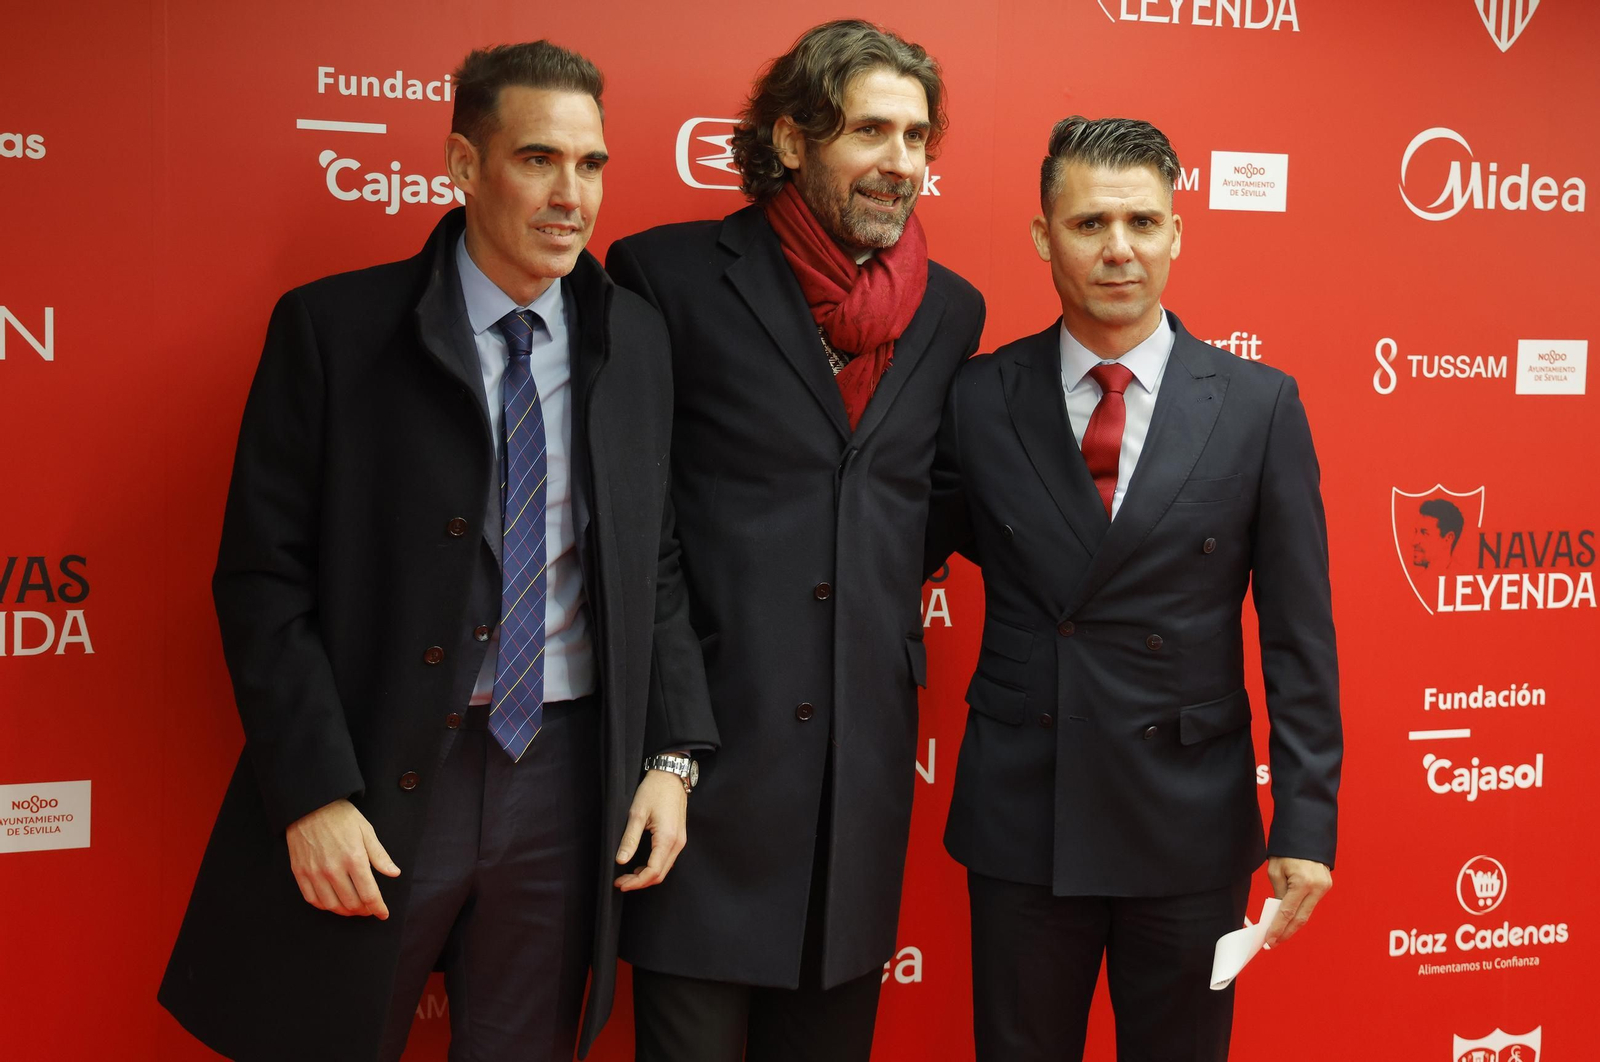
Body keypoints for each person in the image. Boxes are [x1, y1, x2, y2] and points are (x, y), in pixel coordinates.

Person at [157, 40, 716, 1062]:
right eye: (537, 159)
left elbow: (656, 564)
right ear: (462, 165)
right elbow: (262, 580)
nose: (570, 196)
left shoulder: (634, 340)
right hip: (383, 770)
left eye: (591, 165)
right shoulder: (333, 331)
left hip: (566, 770)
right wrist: (314, 790)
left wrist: (672, 758)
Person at [604, 19, 985, 1062]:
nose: (898, 161)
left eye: (915, 137)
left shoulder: (950, 312)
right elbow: (642, 533)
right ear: (789, 138)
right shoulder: (663, 278)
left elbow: (926, 508)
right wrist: (672, 748)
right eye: (869, 130)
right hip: (703, 776)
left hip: (857, 786)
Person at [926, 115, 1342, 1062]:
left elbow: (1298, 632)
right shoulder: (978, 397)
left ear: (1176, 233)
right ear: (1043, 236)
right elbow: (894, 550)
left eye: (1143, 223)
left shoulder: (1256, 404)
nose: (1119, 250)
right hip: (1027, 811)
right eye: (1088, 225)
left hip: (1187, 818)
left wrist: (1307, 820)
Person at [1412, 497, 1464, 570]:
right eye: (1416, 532)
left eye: (1424, 533)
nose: (1414, 542)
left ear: (1448, 538)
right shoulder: (1419, 580)